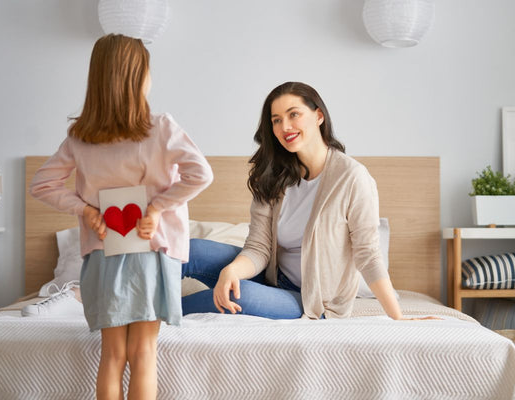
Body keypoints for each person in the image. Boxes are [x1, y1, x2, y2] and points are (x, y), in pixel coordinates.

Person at [28, 34, 213, 400]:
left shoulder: (81, 137)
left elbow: (42, 185)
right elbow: (201, 174)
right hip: (152, 253)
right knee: (143, 353)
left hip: (103, 254)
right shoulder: (160, 128)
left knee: (112, 354)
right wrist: (157, 208)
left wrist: (86, 210)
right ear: (139, 76)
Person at [181, 81, 436, 321]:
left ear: (318, 116)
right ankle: (144, 299)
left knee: (240, 295)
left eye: (294, 114)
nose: (285, 127)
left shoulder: (352, 177)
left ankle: (155, 314)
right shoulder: (273, 175)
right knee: (189, 250)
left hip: (310, 300)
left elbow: (368, 255)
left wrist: (398, 316)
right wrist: (232, 271)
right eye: (277, 120)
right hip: (271, 274)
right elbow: (259, 248)